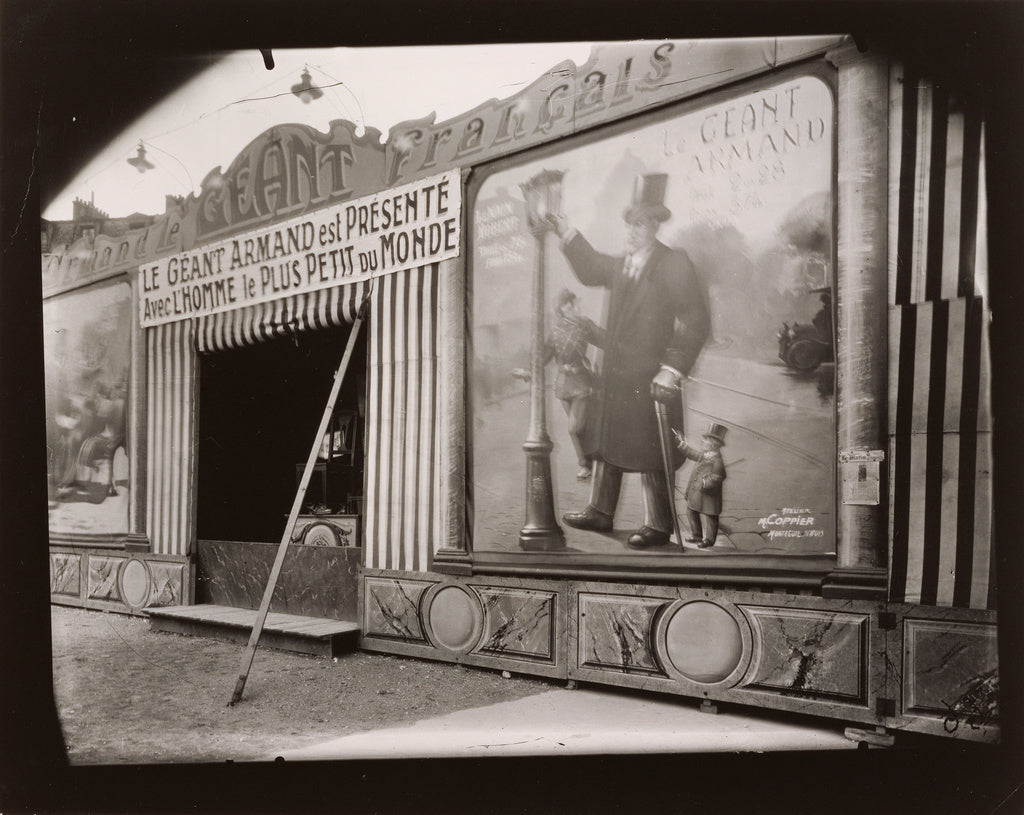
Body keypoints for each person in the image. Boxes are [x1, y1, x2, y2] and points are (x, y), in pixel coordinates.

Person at [548, 172, 710, 549]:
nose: (632, 230)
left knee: (652, 451)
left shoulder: (674, 263)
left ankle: (658, 523)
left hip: (653, 379)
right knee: (609, 444)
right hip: (617, 378)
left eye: (640, 223)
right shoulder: (623, 264)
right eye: (630, 222)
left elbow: (696, 322)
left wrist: (672, 370)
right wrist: (566, 231)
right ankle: (601, 512)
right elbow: (589, 269)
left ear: (655, 224)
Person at [512, 289, 602, 480]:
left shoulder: (584, 324)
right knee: (580, 428)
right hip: (563, 385)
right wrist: (529, 371)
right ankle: (593, 461)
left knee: (574, 428)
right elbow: (545, 356)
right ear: (560, 308)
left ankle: (585, 465)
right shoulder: (555, 331)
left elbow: (605, 340)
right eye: (566, 304)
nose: (570, 307)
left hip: (581, 381)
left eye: (572, 303)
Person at [674, 423, 727, 548]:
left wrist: (705, 482)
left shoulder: (717, 461)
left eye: (705, 440)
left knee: (711, 517)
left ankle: (709, 540)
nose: (702, 441)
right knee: (691, 512)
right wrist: (682, 444)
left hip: (709, 495)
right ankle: (697, 535)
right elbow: (692, 453)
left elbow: (719, 477)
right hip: (698, 494)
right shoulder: (704, 455)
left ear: (713, 444)